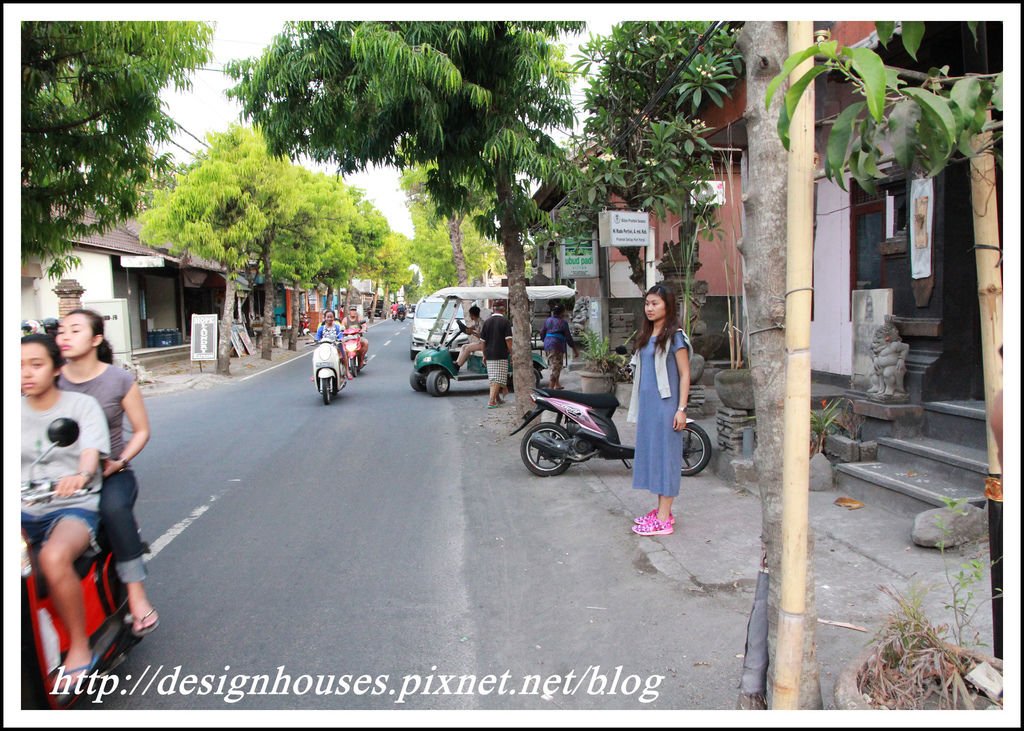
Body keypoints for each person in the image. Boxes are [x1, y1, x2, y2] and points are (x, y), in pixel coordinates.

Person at [56, 308, 160, 638]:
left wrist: (119, 461)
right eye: (61, 331)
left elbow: (141, 431)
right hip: (57, 478)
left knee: (113, 510)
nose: (65, 337)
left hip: (111, 473)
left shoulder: (118, 380)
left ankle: (136, 595)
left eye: (74, 330)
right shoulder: (51, 379)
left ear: (96, 338)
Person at [22, 333, 110, 684]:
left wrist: (81, 475)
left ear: (57, 368)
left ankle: (78, 646)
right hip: (22, 508)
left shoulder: (80, 407)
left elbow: (90, 453)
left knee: (54, 557)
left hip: (70, 505)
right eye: (18, 367)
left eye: (36, 364)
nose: (26, 373)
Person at [627, 283, 691, 537]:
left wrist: (681, 409)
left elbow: (685, 374)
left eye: (655, 303)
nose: (650, 308)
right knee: (653, 457)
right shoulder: (646, 335)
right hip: (648, 408)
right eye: (647, 303)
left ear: (668, 305)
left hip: (667, 408)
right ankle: (661, 510)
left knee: (666, 459)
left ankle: (664, 518)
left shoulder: (675, 336)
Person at [480, 300, 513, 409]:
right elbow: (508, 341)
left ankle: (497, 398)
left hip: (489, 353)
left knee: (493, 378)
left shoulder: (487, 322)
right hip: (500, 353)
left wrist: (484, 354)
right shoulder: (505, 322)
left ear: (493, 309)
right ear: (503, 309)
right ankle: (491, 401)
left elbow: (483, 341)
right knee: (497, 378)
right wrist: (512, 352)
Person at [539, 304, 579, 390]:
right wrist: (575, 350)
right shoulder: (563, 323)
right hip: (556, 344)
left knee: (556, 364)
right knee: (556, 366)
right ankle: (550, 388)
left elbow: (542, 332)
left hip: (548, 343)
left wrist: (545, 340)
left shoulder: (548, 320)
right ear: (562, 313)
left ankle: (557, 384)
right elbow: (569, 337)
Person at [315, 309, 351, 379]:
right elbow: (317, 337)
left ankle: (347, 371)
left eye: (331, 317)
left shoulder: (337, 327)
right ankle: (315, 373)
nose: (329, 319)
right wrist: (316, 340)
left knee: (344, 355)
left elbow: (340, 335)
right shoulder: (321, 328)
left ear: (334, 318)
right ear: (325, 318)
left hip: (336, 346)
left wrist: (341, 339)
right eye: (328, 317)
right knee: (316, 356)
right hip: (324, 347)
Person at [454, 305, 485, 369]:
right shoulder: (477, 321)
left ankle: (458, 365)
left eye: (470, 315)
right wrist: (467, 329)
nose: (469, 316)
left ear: (472, 315)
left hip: (484, 344)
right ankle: (457, 362)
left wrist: (473, 333)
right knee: (464, 346)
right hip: (480, 342)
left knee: (468, 348)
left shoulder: (481, 322)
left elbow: (482, 336)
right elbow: (472, 327)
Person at [340, 305, 369, 369]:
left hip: (358, 337)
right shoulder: (345, 319)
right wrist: (342, 330)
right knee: (340, 344)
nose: (353, 312)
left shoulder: (359, 318)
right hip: (348, 338)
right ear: (349, 311)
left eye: (354, 310)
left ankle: (362, 357)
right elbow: (342, 327)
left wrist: (364, 329)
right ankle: (342, 360)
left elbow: (364, 325)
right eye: (352, 310)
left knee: (366, 342)